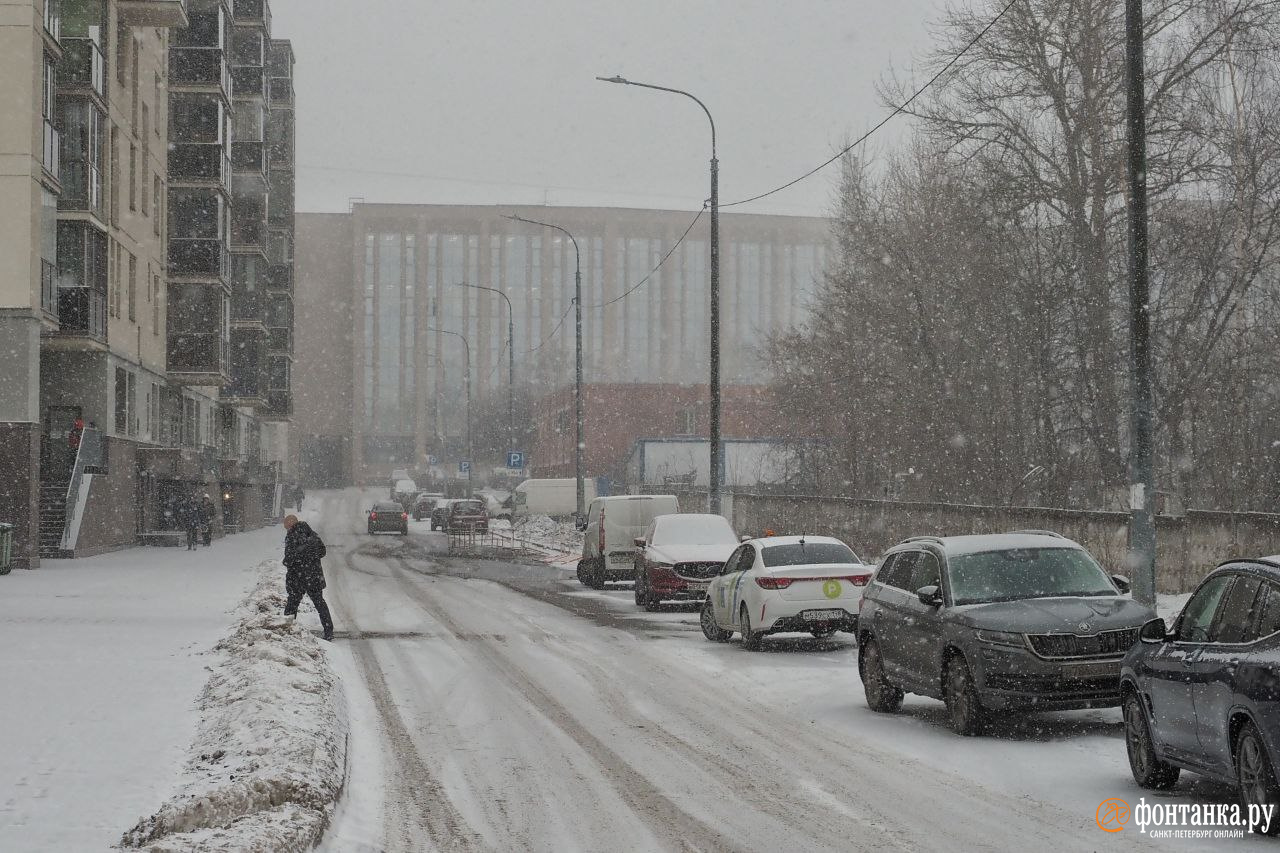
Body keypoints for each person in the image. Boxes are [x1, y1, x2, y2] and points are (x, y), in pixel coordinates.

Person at [282, 514, 334, 641]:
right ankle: (329, 631)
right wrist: (310, 558)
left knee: (292, 604)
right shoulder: (312, 534)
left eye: (286, 527)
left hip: (297, 577)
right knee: (320, 603)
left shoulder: (292, 536)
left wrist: (290, 561)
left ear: (290, 524)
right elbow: (322, 551)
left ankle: (286, 628)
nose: (287, 530)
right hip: (313, 576)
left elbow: (290, 558)